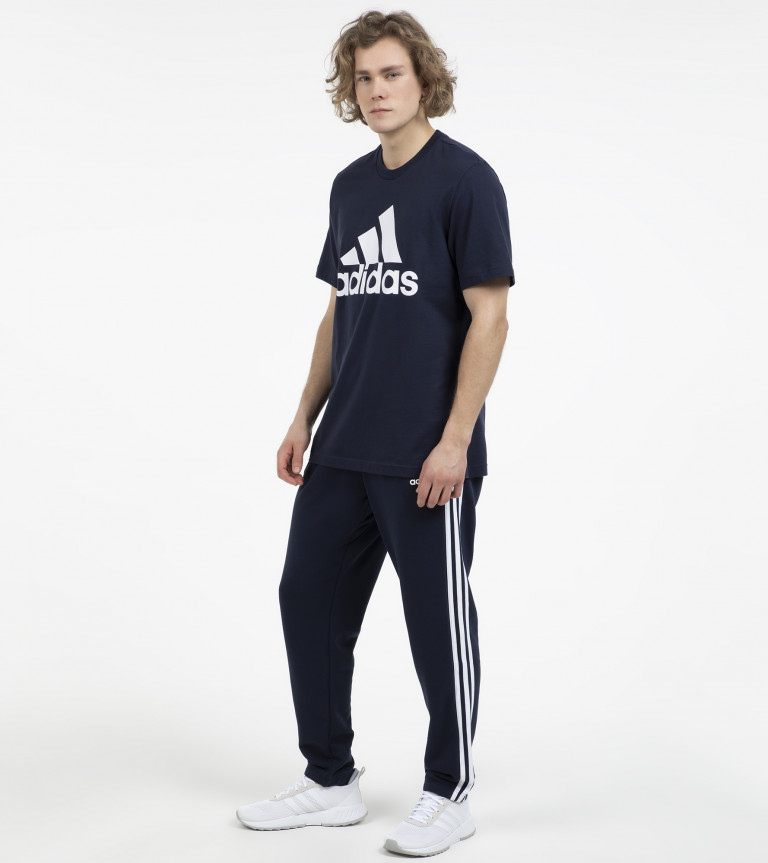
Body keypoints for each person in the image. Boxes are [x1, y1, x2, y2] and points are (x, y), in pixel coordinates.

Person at [236, 9, 515, 857]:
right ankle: (330, 779)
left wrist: (455, 439)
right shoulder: (351, 187)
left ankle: (448, 790)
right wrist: (303, 414)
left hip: (425, 452)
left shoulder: (466, 181)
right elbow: (340, 310)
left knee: (437, 622)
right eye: (363, 78)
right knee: (306, 598)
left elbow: (491, 316)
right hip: (343, 445)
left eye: (392, 73)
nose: (376, 90)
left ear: (424, 79)